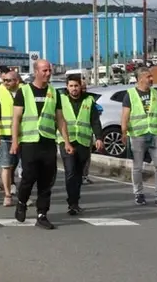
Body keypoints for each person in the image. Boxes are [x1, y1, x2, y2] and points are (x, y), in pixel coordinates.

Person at [10, 60, 73, 229]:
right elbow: (16, 119)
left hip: (48, 142)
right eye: (45, 70)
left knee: (47, 181)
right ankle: (22, 202)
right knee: (28, 177)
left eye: (49, 70)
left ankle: (42, 214)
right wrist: (15, 141)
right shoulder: (24, 91)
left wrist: (66, 141)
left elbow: (60, 119)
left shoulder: (54, 92)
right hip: (29, 142)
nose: (48, 73)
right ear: (36, 71)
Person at [121, 66, 157, 207]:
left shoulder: (156, 94)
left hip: (154, 134)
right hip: (137, 135)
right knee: (138, 167)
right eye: (148, 77)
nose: (151, 79)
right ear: (140, 79)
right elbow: (125, 116)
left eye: (151, 76)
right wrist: (124, 133)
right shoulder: (130, 94)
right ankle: (138, 193)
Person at [57, 74, 104, 214]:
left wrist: (99, 137)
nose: (74, 89)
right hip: (66, 141)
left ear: (81, 86)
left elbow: (95, 121)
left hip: (83, 142)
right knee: (70, 171)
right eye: (71, 86)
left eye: (76, 86)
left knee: (78, 174)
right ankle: (71, 203)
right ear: (67, 87)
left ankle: (75, 201)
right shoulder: (61, 100)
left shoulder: (89, 101)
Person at [0, 69, 22, 206]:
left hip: (24, 135)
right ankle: (7, 195)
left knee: (26, 167)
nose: (5, 83)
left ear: (17, 81)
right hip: (5, 135)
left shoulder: (25, 91)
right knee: (6, 166)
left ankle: (23, 194)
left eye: (8, 80)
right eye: (4, 80)